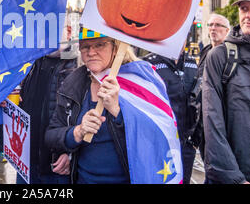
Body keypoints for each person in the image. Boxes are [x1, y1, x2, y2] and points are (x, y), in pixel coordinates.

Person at [45, 28, 182, 184]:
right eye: (85, 46)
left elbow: (158, 133)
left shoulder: (141, 79)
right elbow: (51, 135)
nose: (91, 52)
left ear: (115, 48)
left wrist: (117, 111)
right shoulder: (73, 82)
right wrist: (77, 132)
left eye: (99, 45)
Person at [202, 0, 250, 184]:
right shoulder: (220, 56)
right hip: (235, 173)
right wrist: (234, 178)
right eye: (244, 9)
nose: (247, 15)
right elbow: (212, 120)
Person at [17, 45, 77, 184]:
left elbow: (84, 114)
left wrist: (71, 153)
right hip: (25, 160)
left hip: (57, 166)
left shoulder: (79, 63)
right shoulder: (30, 60)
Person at [143, 44, 198, 184]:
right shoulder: (149, 62)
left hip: (187, 143)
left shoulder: (192, 62)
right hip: (162, 143)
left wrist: (196, 137)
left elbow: (198, 98)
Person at [192, 13, 230, 161]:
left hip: (220, 117)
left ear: (227, 31)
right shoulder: (206, 50)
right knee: (206, 158)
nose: (213, 28)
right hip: (202, 115)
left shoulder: (229, 54)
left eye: (218, 25)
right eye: (210, 25)